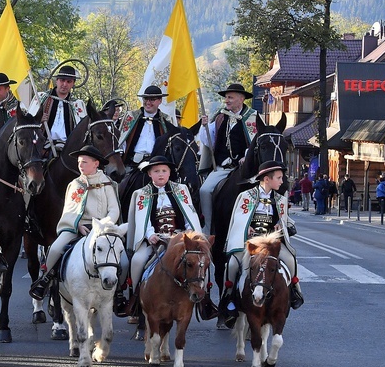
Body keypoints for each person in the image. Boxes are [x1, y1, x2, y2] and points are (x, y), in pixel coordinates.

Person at [29, 145, 119, 300]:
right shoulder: (75, 184)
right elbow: (69, 211)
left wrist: (102, 226)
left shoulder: (108, 184)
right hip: (77, 227)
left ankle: (119, 292)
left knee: (122, 258)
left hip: (103, 229)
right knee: (56, 248)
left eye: (84, 162)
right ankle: (46, 280)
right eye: (79, 162)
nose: (80, 165)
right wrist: (76, 225)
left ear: (96, 163)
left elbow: (114, 211)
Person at [222, 161, 303, 327]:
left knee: (291, 260)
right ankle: (228, 298)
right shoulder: (246, 197)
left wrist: (281, 225)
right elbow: (239, 220)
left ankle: (294, 292)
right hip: (250, 242)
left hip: (271, 242)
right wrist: (247, 227)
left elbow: (283, 219)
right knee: (231, 265)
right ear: (267, 179)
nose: (282, 181)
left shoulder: (280, 199)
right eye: (279, 178)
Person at [126, 156, 204, 304]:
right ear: (149, 174)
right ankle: (136, 298)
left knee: (199, 261)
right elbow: (143, 218)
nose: (160, 174)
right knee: (138, 260)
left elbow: (189, 216)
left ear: (169, 173)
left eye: (164, 170)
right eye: (156, 171)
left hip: (179, 238)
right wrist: (150, 235)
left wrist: (190, 235)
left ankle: (202, 300)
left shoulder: (181, 190)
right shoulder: (142, 194)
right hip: (156, 239)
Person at [198, 83, 260, 234]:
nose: (227, 100)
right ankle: (207, 228)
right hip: (222, 168)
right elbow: (209, 141)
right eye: (226, 97)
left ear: (241, 98)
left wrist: (246, 156)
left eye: (230, 97)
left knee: (261, 190)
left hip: (244, 168)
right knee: (204, 190)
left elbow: (256, 142)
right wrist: (204, 126)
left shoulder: (253, 117)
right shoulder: (220, 116)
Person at [28, 65, 87, 152]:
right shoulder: (41, 97)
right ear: (57, 81)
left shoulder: (77, 104)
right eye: (62, 80)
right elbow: (27, 122)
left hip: (68, 149)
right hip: (42, 146)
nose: (65, 84)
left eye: (69, 81)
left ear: (73, 83)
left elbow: (83, 130)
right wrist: (38, 119)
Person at [118, 85, 176, 173]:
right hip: (132, 164)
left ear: (160, 101)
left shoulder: (166, 120)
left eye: (152, 99)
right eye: (145, 99)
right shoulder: (131, 116)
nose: (148, 102)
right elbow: (122, 140)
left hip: (157, 165)